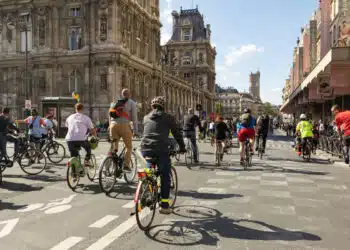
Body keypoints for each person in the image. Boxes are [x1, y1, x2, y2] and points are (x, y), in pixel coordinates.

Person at [141, 96, 186, 214]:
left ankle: (147, 189)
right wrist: (182, 147)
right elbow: (176, 133)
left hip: (145, 149)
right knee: (165, 176)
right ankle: (164, 205)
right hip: (161, 149)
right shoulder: (168, 118)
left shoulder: (145, 118)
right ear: (163, 107)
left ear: (152, 107)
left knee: (149, 170)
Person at [109, 88, 138, 171]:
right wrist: (135, 131)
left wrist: (110, 125)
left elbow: (110, 115)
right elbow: (134, 118)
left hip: (113, 126)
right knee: (128, 147)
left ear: (121, 94)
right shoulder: (132, 103)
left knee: (113, 147)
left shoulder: (114, 102)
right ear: (129, 94)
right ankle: (126, 165)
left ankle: (107, 167)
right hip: (125, 126)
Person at [65, 103, 97, 176]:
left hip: (70, 139)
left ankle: (74, 174)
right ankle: (86, 162)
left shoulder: (69, 117)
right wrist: (95, 137)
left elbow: (67, 126)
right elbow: (92, 130)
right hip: (81, 139)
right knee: (88, 148)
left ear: (75, 109)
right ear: (82, 109)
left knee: (73, 155)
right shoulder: (86, 118)